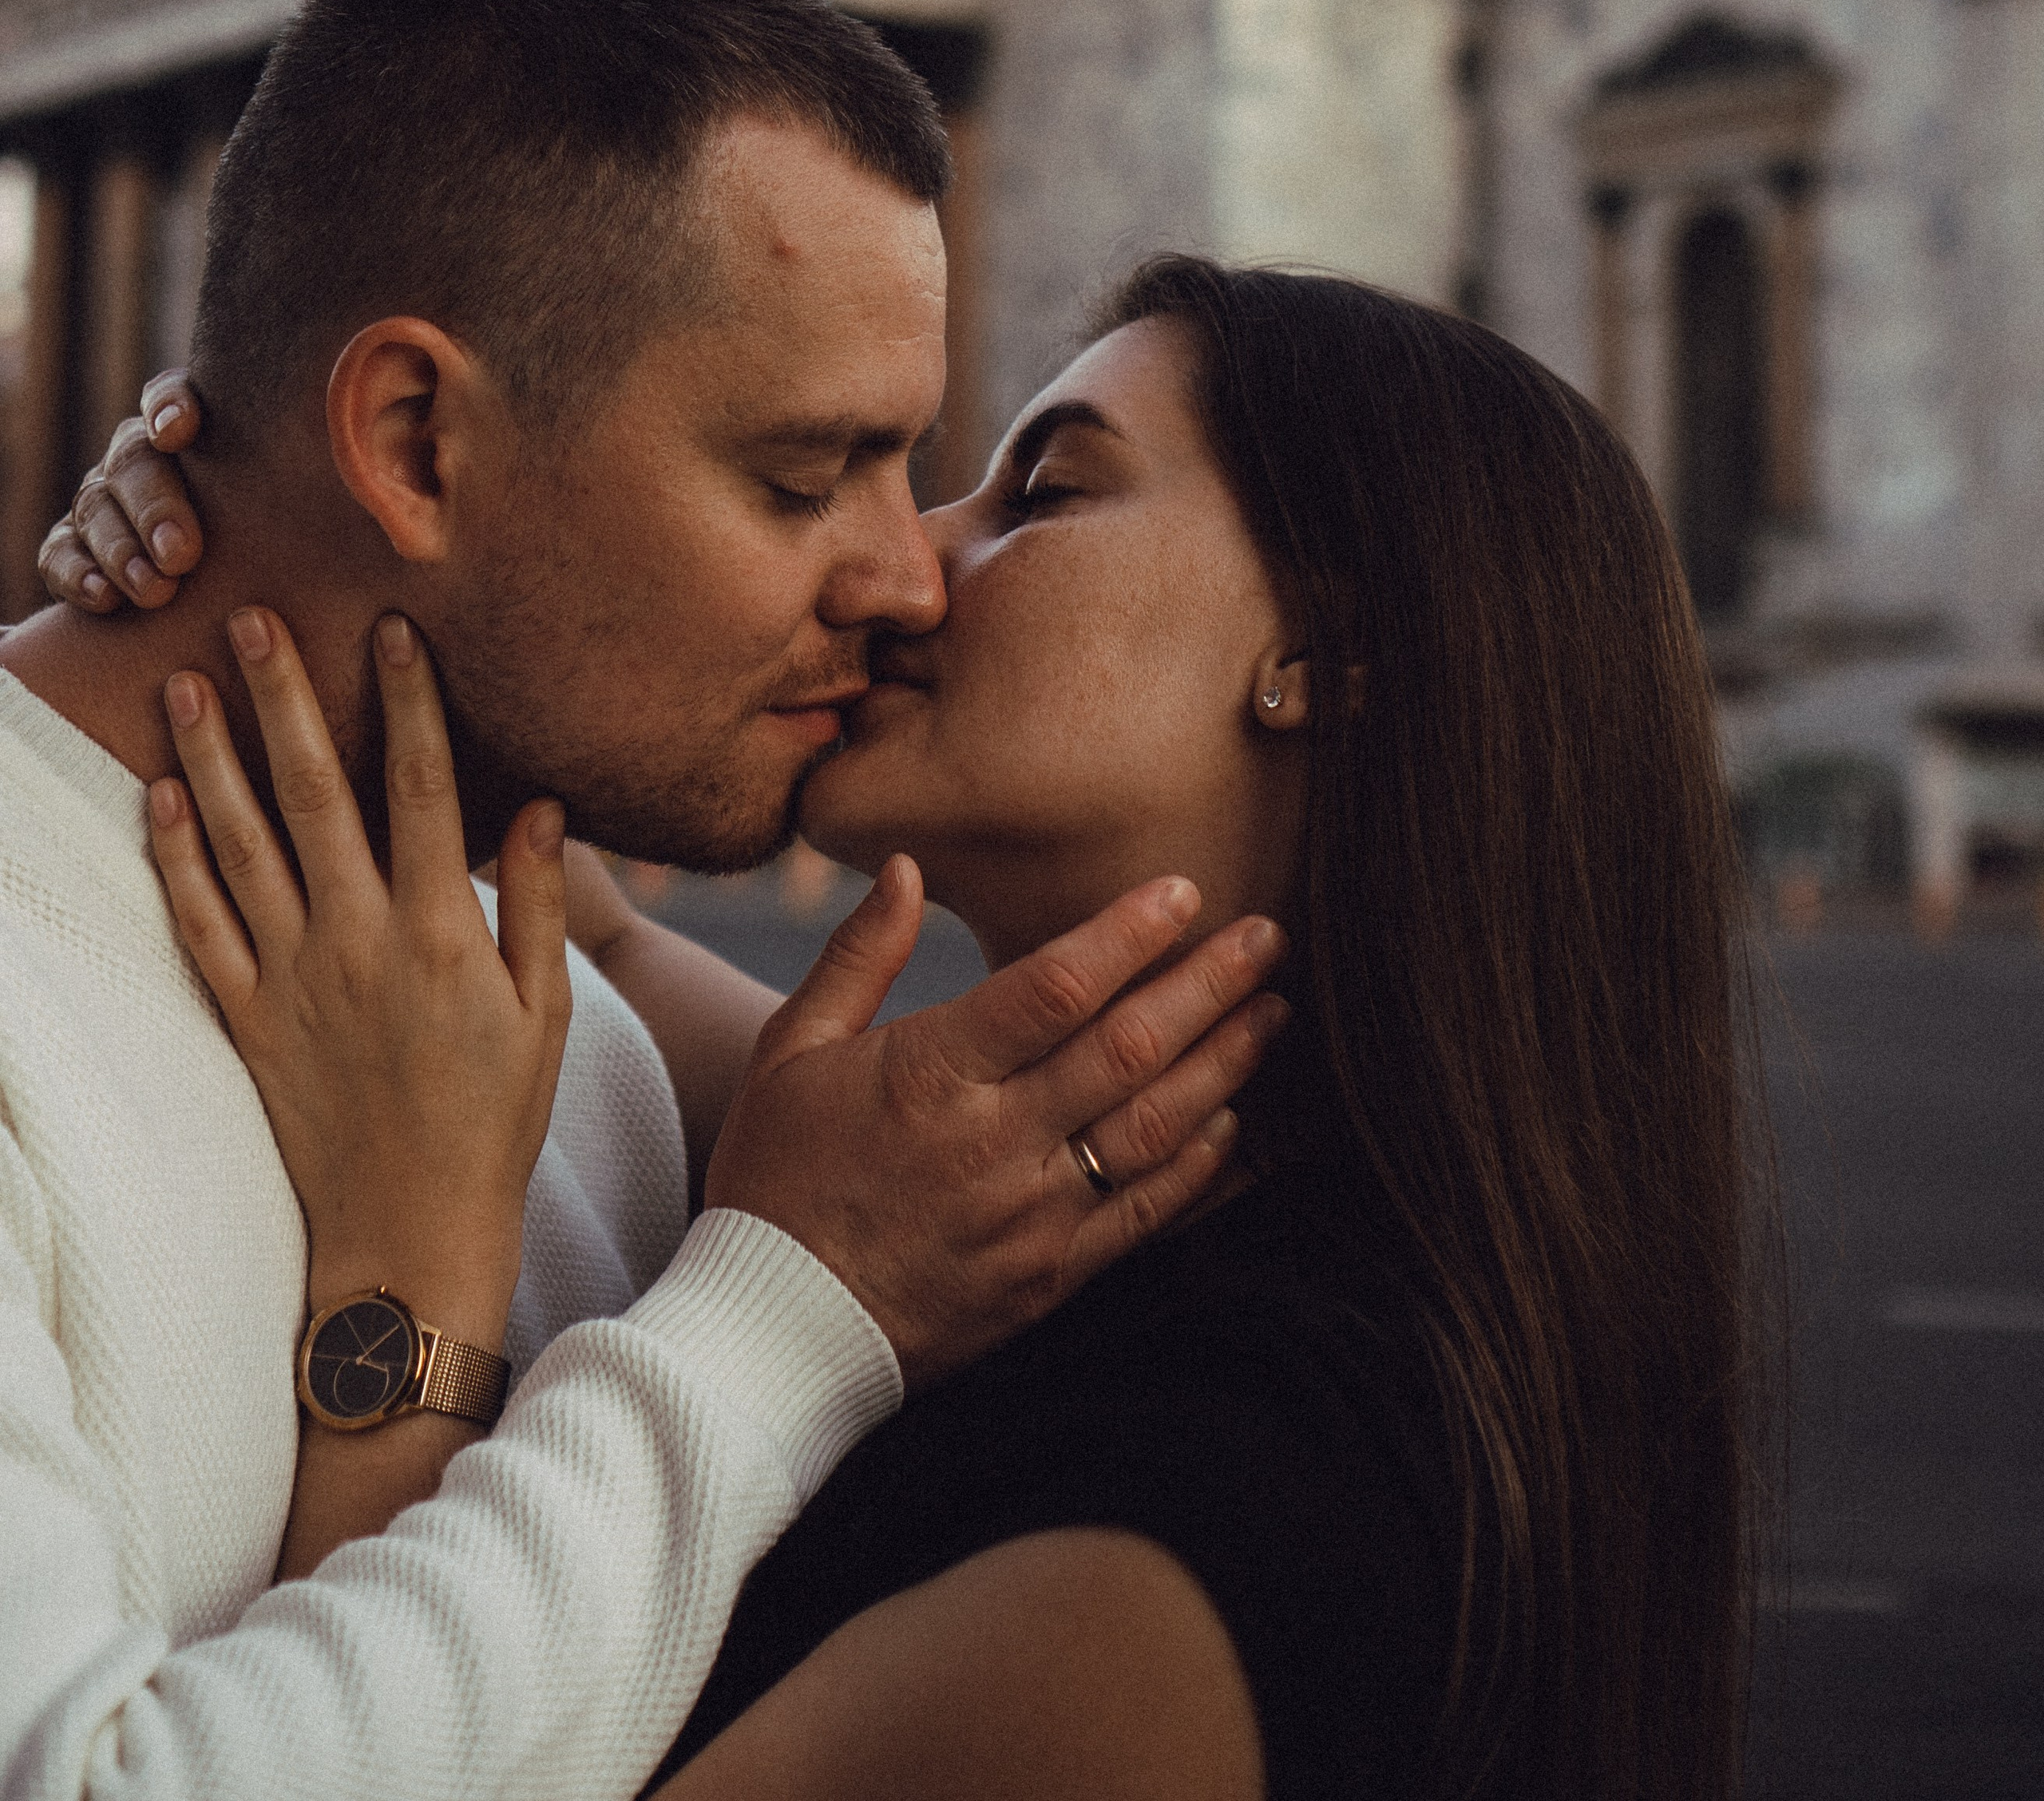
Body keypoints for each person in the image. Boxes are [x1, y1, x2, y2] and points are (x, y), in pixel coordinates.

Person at [98, 255, 1765, 1801]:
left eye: (1042, 488)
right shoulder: (1044, 1189)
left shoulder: (1192, 1551)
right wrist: (279, 527)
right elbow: (572, 903)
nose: (900, 569)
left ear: (1323, 657)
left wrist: (409, 1292)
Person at [2, 0, 1285, 1801]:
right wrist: (779, 1319)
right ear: (418, 440)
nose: (897, 566)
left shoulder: (546, 990)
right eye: (800, 473)